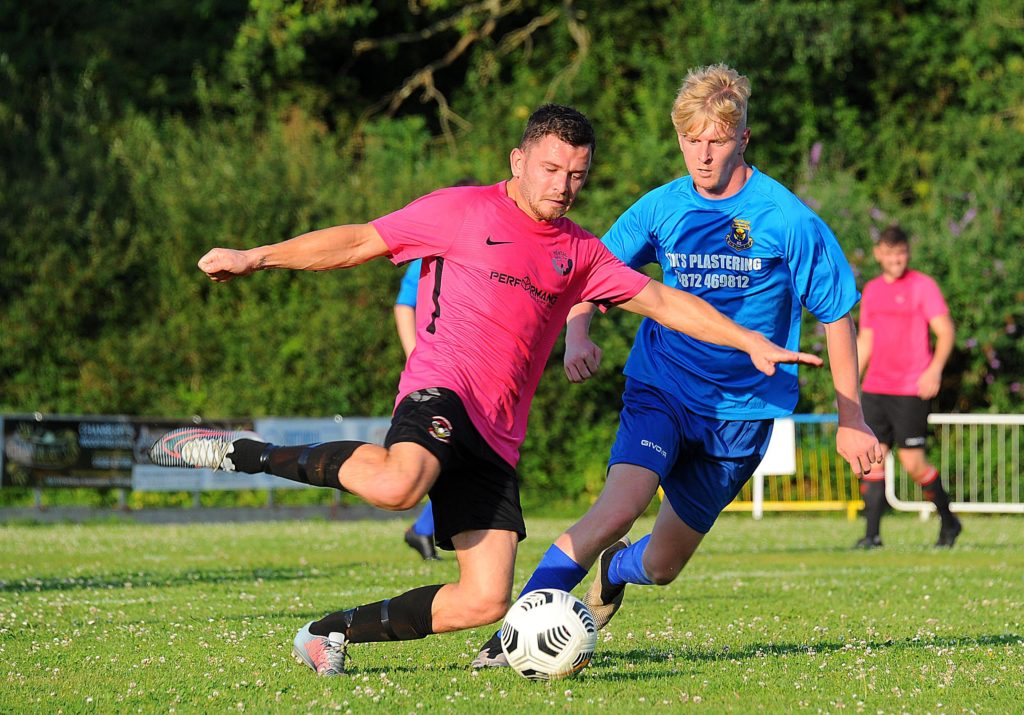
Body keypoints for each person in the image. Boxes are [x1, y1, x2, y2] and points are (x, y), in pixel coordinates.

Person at [148, 103, 823, 677]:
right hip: (442, 390)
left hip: (498, 435)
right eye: (553, 169)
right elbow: (358, 239)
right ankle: (244, 453)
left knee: (485, 599)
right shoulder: (460, 211)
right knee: (396, 485)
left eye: (577, 175)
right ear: (519, 159)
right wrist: (255, 256)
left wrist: (749, 340)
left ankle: (328, 632)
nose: (563, 186)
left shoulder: (580, 251)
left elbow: (661, 300)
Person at [472, 65, 882, 668]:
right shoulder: (662, 208)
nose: (703, 153)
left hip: (742, 415)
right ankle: (509, 641)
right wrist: (577, 331)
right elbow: (587, 272)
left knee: (661, 566)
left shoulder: (788, 219)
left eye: (717, 140)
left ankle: (616, 570)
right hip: (661, 386)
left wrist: (852, 418)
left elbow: (837, 313)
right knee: (617, 509)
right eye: (691, 140)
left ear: (743, 138)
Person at [854, 224, 960, 548]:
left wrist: (934, 371)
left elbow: (945, 331)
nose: (896, 260)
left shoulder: (922, 286)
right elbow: (865, 341)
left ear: (907, 253)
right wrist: (848, 386)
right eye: (890, 253)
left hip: (910, 389)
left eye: (901, 253)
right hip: (875, 388)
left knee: (913, 464)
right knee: (872, 459)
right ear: (878, 254)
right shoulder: (871, 290)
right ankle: (872, 536)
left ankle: (950, 522)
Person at [395, 178, 480, 561]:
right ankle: (425, 528)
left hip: (476, 373)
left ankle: (425, 529)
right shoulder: (436, 248)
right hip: (439, 374)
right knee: (440, 452)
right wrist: (419, 356)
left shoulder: (489, 250)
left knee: (466, 455)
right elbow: (403, 305)